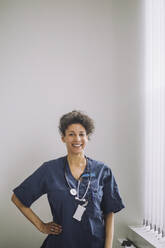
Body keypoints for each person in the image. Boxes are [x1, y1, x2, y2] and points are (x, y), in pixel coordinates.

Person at [11, 110, 125, 248]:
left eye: (81, 134)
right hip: (60, 243)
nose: (77, 139)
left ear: (87, 137)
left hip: (94, 244)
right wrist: (41, 226)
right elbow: (18, 198)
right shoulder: (50, 170)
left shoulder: (102, 171)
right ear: (63, 138)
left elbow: (109, 213)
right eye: (71, 134)